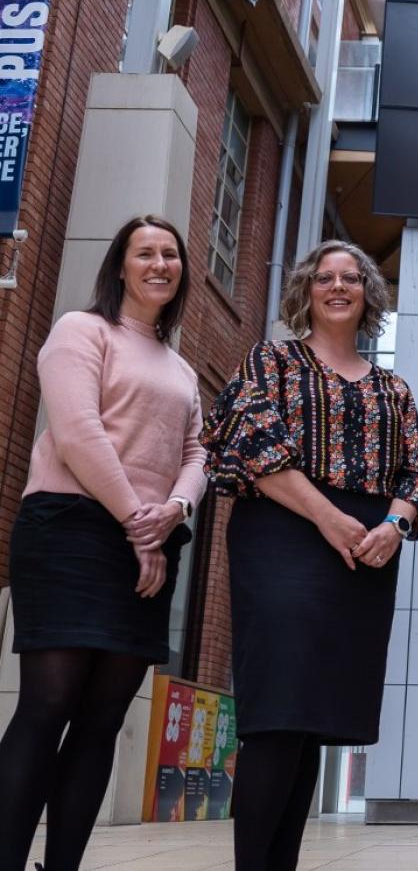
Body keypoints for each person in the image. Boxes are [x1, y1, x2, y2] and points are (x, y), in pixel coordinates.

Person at [200, 239, 418, 871]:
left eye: (352, 278)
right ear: (306, 290)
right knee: (278, 712)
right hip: (283, 538)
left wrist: (393, 523)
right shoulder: (272, 360)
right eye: (325, 278)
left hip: (366, 555)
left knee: (311, 720)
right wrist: (330, 517)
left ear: (368, 294)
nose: (338, 287)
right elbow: (249, 442)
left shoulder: (393, 386)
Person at [0, 215, 204, 871]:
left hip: (148, 541)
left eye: (170, 254)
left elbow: (198, 452)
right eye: (145, 252)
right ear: (121, 265)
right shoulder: (80, 331)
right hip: (69, 527)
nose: (159, 263)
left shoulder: (181, 368)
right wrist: (136, 523)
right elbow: (78, 430)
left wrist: (173, 509)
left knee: (102, 719)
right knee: (48, 703)